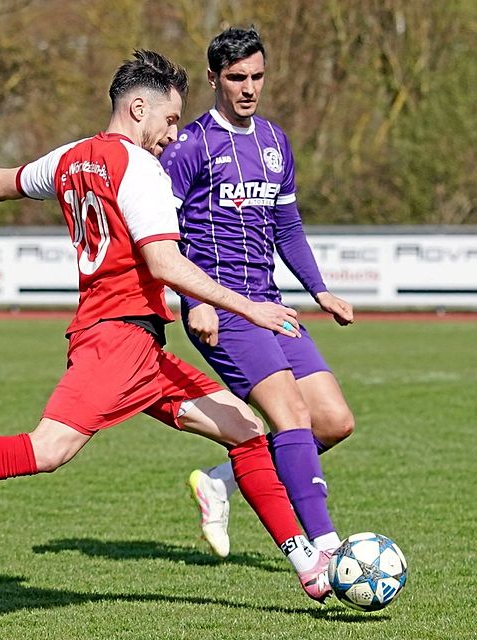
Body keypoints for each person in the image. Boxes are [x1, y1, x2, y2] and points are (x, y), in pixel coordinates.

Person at [0, 50, 332, 602]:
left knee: (246, 428)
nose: (173, 136)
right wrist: (249, 307)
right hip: (117, 340)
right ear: (138, 108)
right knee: (48, 449)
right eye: (169, 120)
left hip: (136, 345)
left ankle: (308, 562)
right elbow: (165, 264)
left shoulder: (73, 157)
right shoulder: (141, 169)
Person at [159, 28, 355, 567]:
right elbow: (162, 235)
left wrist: (320, 289)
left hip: (270, 304)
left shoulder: (274, 141)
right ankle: (327, 550)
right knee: (291, 414)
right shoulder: (190, 146)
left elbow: (287, 226)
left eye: (257, 76)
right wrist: (194, 299)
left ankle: (222, 480)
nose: (249, 88)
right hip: (221, 307)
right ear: (213, 79)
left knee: (333, 421)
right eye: (237, 77)